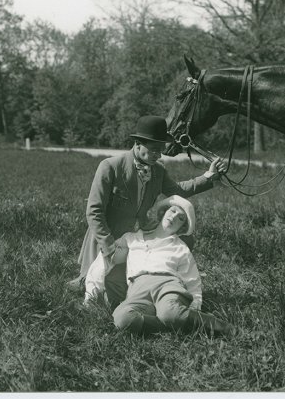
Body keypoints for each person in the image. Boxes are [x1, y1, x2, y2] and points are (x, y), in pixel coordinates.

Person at [67, 115, 226, 307]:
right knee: (100, 292)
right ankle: (85, 280)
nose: (158, 156)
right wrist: (109, 247)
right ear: (138, 143)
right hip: (107, 239)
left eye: (161, 150)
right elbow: (94, 212)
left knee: (180, 244)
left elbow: (177, 191)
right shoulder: (110, 166)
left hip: (137, 239)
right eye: (154, 150)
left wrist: (208, 176)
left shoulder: (157, 170)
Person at [87, 195, 233, 336]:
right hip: (137, 288)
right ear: (164, 212)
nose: (174, 217)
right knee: (122, 319)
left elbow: (192, 279)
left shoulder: (180, 247)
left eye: (181, 218)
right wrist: (92, 291)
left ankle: (222, 327)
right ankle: (175, 325)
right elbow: (107, 257)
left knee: (170, 312)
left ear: (182, 228)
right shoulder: (132, 238)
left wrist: (196, 304)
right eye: (173, 211)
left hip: (167, 285)